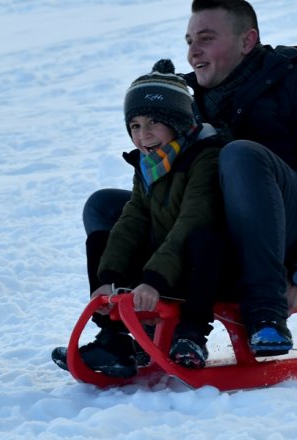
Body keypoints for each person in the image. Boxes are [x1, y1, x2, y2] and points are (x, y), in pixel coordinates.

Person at [81, 0, 297, 358]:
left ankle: (266, 312)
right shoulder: (186, 98)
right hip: (211, 245)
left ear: (247, 41)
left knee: (240, 154)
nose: (192, 53)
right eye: (189, 41)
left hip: (289, 249)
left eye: (206, 39)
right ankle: (128, 329)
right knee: (106, 207)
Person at [52, 59, 233, 377]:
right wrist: (108, 278)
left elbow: (191, 220)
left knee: (206, 238)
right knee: (103, 238)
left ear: (177, 122)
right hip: (166, 262)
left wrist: (154, 281)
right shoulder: (149, 164)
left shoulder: (205, 156)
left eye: (152, 123)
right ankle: (114, 339)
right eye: (135, 126)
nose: (143, 135)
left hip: (202, 269)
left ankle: (191, 336)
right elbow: (132, 221)